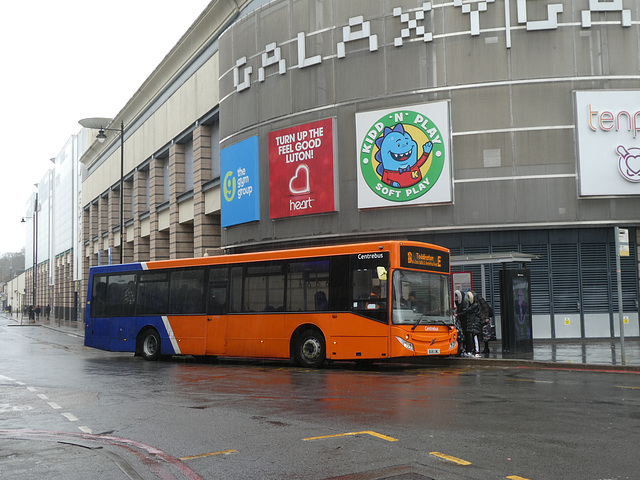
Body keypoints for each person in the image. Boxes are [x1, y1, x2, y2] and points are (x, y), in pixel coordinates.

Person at [460, 291, 482, 357]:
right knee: (472, 337)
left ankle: (477, 351)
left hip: (474, 323)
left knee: (475, 337)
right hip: (472, 323)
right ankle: (474, 351)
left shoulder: (475, 305)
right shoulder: (470, 304)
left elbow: (468, 310)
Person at [453, 290, 467, 356]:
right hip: (460, 323)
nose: (456, 298)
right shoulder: (458, 304)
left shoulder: (463, 304)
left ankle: (463, 349)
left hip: (463, 322)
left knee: (463, 336)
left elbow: (464, 312)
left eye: (457, 296)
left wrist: (458, 315)